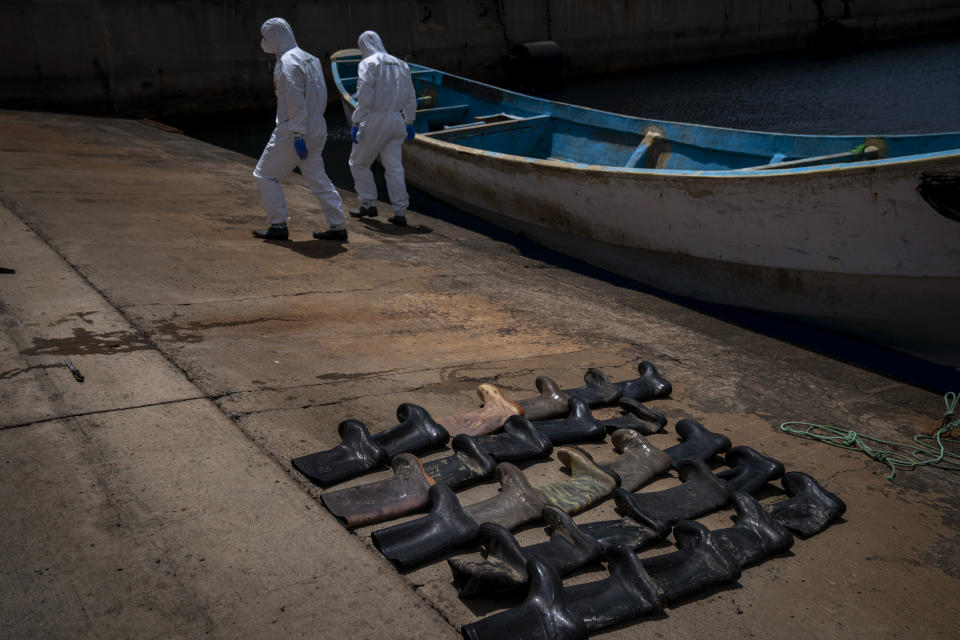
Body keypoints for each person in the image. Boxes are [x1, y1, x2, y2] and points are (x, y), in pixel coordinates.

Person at [252, 17, 348, 241]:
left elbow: (296, 101)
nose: (264, 42)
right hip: (317, 125)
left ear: (275, 37)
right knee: (316, 175)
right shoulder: (310, 58)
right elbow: (320, 93)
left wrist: (296, 134)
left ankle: (278, 225)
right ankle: (338, 224)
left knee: (265, 174)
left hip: (296, 128)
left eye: (266, 37)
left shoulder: (287, 62)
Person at [347, 30, 418, 227]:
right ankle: (400, 211)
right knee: (394, 167)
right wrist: (409, 121)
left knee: (359, 163)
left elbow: (364, 98)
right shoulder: (401, 64)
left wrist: (356, 122)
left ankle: (368, 203)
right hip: (397, 121)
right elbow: (411, 97)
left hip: (375, 120)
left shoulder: (368, 64)